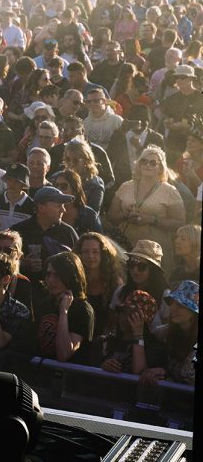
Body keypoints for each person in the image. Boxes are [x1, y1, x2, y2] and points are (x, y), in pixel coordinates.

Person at [106, 145, 186, 273]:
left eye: (153, 162)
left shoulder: (170, 191)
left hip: (155, 250)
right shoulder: (126, 186)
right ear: (139, 163)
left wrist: (151, 219)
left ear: (160, 167)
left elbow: (180, 223)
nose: (148, 165)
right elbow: (110, 216)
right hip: (125, 245)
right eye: (144, 161)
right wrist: (124, 215)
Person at [80, 290, 165, 377]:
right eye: (123, 311)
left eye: (132, 314)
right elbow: (89, 371)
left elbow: (139, 373)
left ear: (145, 320)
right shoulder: (103, 342)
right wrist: (102, 366)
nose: (124, 317)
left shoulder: (154, 347)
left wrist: (138, 336)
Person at [32, 251, 95, 362]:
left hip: (68, 375)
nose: (50, 280)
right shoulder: (45, 303)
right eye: (48, 274)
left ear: (71, 276)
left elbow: (64, 354)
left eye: (57, 275)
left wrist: (63, 312)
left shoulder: (82, 309)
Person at [14, 186, 79, 284]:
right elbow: (1, 262)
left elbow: (80, 264)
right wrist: (21, 265)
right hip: (25, 292)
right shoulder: (19, 231)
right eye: (58, 206)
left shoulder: (68, 232)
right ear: (41, 207)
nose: (63, 210)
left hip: (60, 292)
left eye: (63, 205)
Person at [141, 280, 199, 386]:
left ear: (194, 312)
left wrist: (166, 375)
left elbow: (190, 377)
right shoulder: (162, 333)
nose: (172, 308)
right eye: (171, 302)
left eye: (180, 305)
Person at [74, 232, 125, 336]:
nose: (90, 256)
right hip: (77, 335)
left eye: (95, 252)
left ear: (103, 254)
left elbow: (115, 319)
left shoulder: (114, 282)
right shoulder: (74, 278)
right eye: (86, 252)